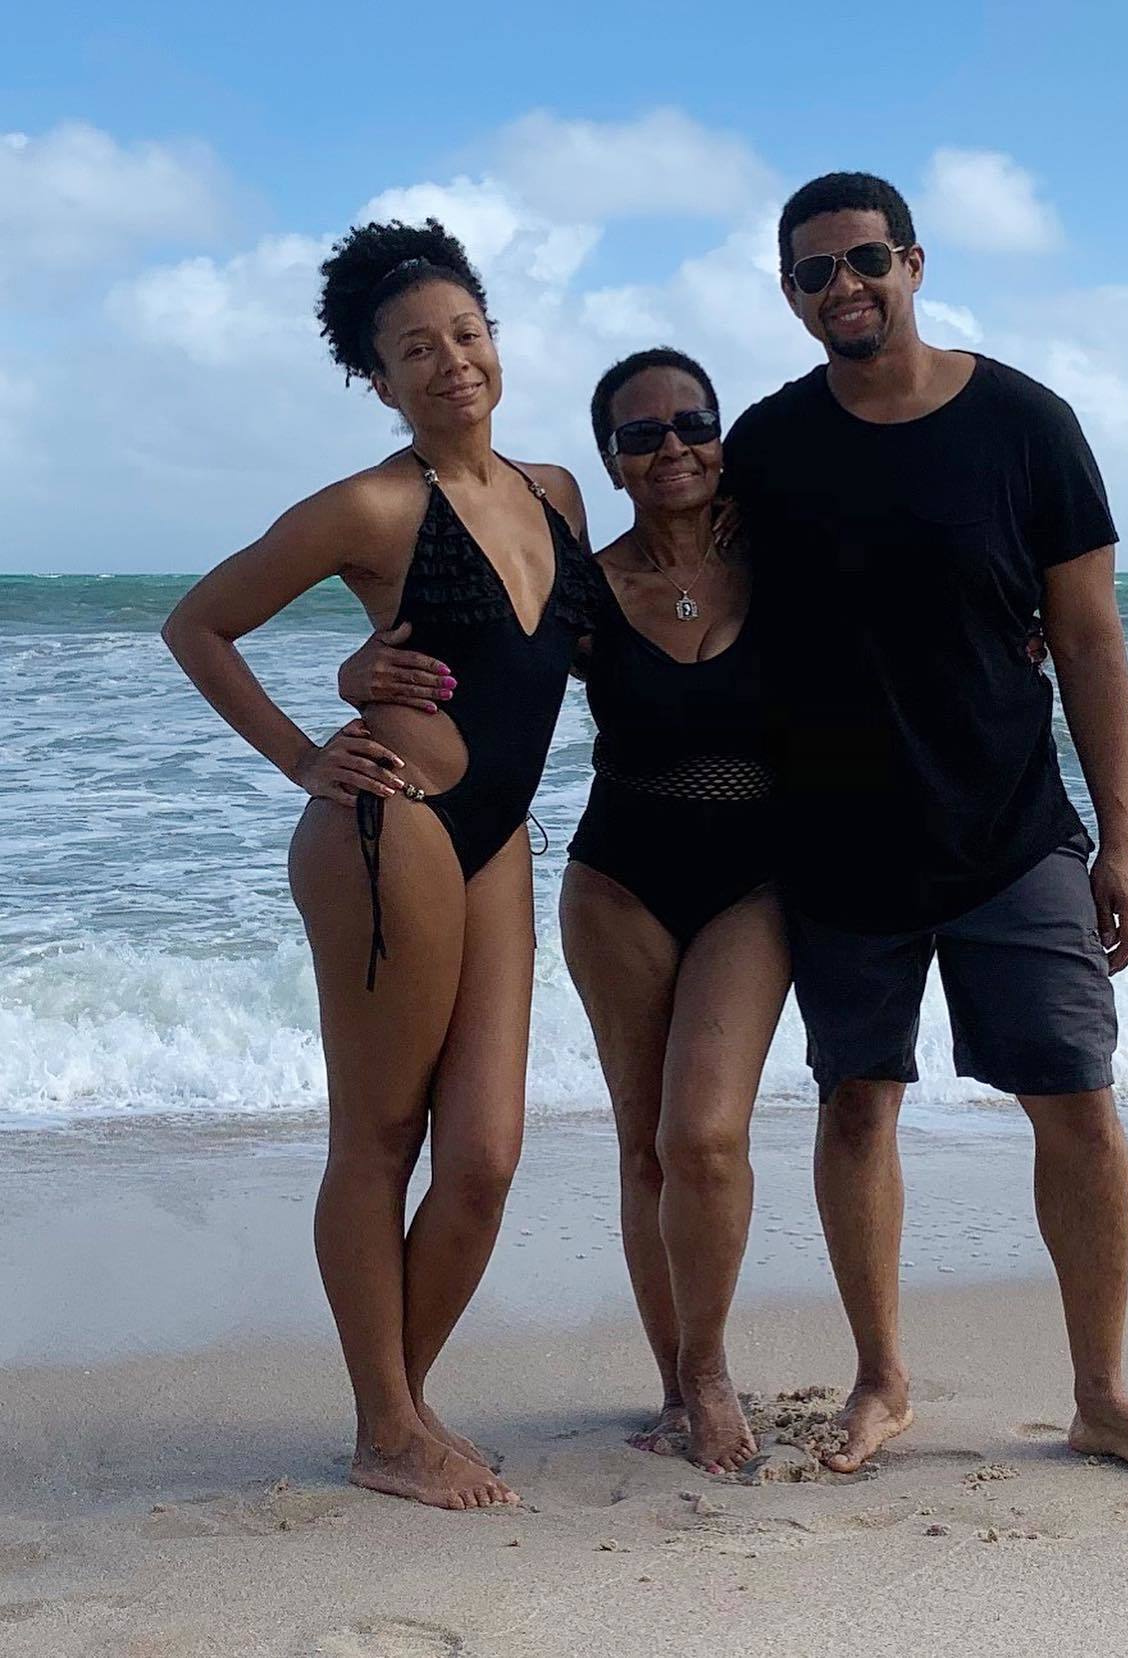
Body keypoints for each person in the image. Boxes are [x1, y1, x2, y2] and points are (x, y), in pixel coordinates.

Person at [720, 172, 1128, 1483]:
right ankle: (881, 1379)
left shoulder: (1027, 425)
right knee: (854, 1106)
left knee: (1078, 1104)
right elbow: (687, 594)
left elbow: (1091, 639)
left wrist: (1122, 840)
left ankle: (1102, 1392)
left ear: (915, 261)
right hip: (837, 844)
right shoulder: (769, 444)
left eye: (864, 259)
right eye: (815, 271)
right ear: (791, 296)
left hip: (1011, 831)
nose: (844, 286)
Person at [162, 217, 596, 1511]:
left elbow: (581, 650)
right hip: (388, 821)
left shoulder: (557, 491)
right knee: (382, 1131)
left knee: (485, 1156)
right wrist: (306, 752)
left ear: (494, 341)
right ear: (379, 379)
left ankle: (397, 1407)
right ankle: (388, 1426)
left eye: (466, 333)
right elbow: (200, 623)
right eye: (416, 349)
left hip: (498, 834)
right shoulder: (371, 506)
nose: (451, 361)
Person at [563, 350, 788, 1473]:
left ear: (722, 434)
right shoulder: (583, 590)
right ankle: (676, 1382)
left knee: (703, 1135)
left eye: (693, 423)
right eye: (640, 434)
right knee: (644, 1142)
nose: (672, 448)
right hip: (617, 878)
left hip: (756, 879)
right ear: (611, 462)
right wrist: (369, 678)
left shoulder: (787, 555)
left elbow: (915, 603)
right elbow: (477, 681)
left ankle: (707, 1368)